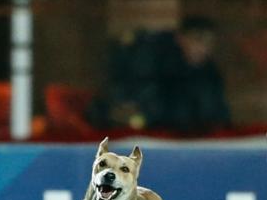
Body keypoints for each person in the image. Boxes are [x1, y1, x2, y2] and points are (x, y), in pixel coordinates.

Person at [86, 16, 231, 135]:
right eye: (197, 40)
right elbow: (137, 100)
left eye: (208, 44)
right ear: (180, 38)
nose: (202, 49)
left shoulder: (209, 75)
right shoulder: (151, 61)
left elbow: (215, 111)